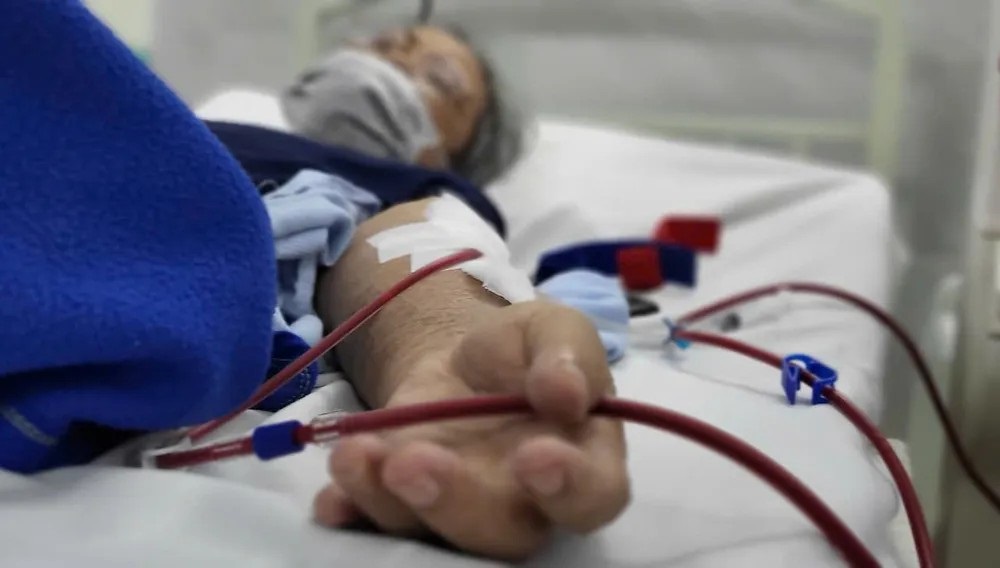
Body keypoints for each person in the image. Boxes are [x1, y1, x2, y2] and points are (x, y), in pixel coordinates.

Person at [0, 4, 628, 565]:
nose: (388, 59)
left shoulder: (417, 185)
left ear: (444, 152)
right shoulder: (166, 113)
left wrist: (444, 351)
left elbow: (408, 242)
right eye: (381, 44)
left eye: (437, 77)